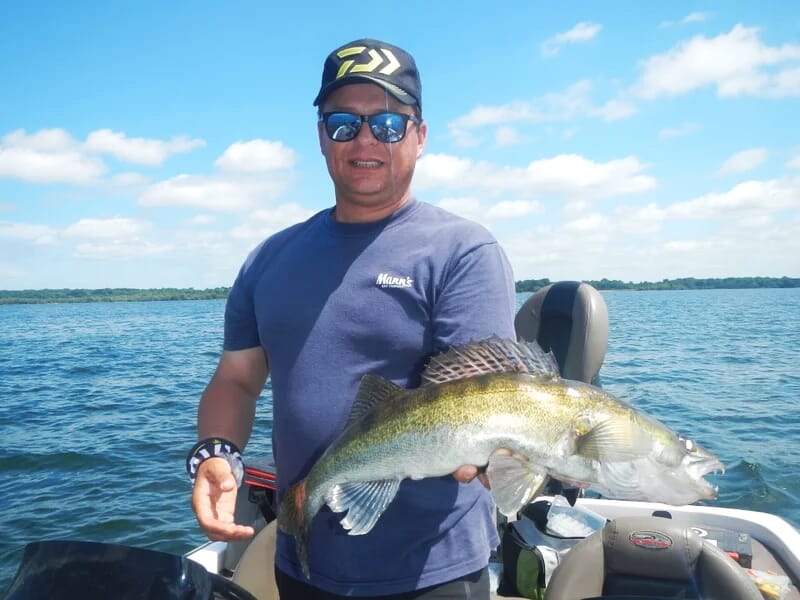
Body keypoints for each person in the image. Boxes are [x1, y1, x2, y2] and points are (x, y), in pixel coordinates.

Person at [187, 38, 517, 599]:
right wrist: (216, 452)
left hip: (431, 568)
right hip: (303, 558)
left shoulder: (463, 251)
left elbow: (481, 398)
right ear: (320, 136)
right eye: (343, 123)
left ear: (420, 134)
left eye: (388, 122)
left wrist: (497, 455)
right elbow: (237, 380)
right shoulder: (268, 259)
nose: (365, 139)